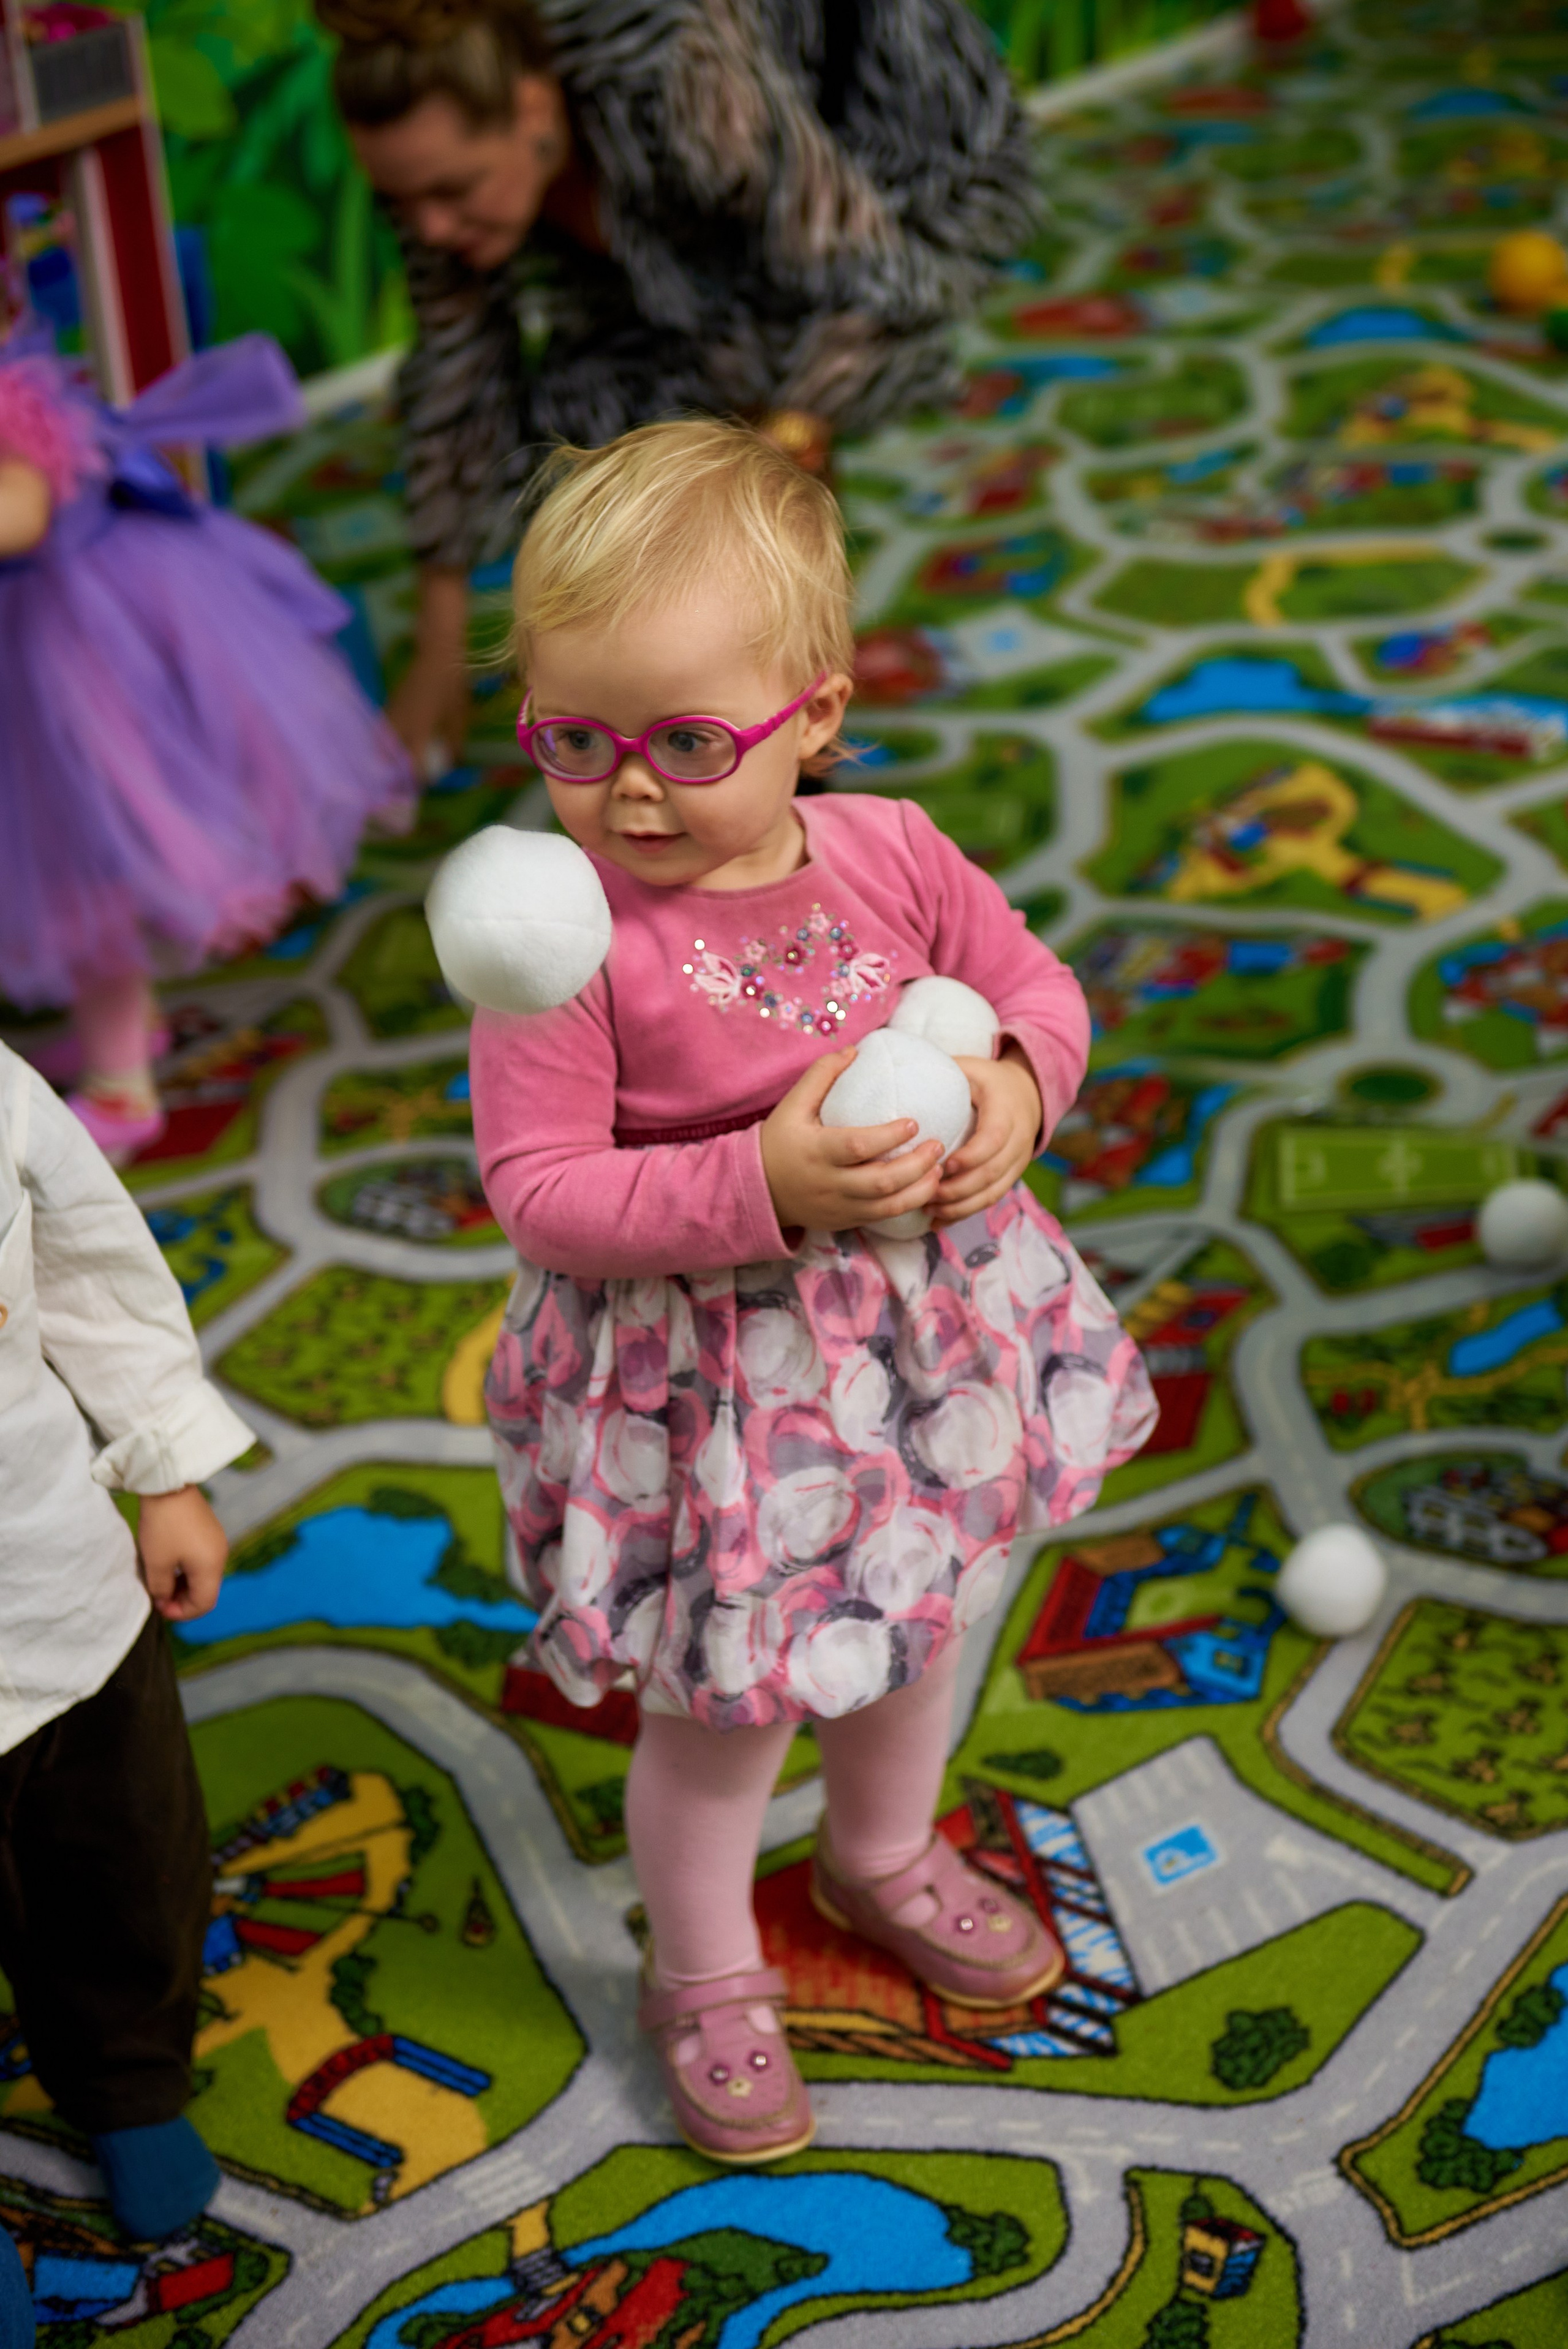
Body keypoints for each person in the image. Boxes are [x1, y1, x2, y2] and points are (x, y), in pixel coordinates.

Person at [472, 420, 1155, 2162]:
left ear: (820, 720)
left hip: (920, 1356)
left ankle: (877, 1855)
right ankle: (702, 1967)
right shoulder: (557, 932)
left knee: (919, 1619)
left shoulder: (896, 853)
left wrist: (1016, 1089)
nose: (629, 789)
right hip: (713, 1393)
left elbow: (1035, 990)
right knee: (727, 1708)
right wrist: (760, 1181)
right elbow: (539, 1190)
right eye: (575, 740)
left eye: (691, 741)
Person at [316, 0, 1042, 770]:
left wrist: (781, 446)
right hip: (689, 239)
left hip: (887, 191)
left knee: (747, 430)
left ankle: (781, 724)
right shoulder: (439, 158)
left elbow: (859, 273)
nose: (429, 229)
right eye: (403, 205)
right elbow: (459, 365)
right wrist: (438, 646)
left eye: (454, 192)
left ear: (533, 108)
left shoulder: (676, 71)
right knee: (587, 429)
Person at [0, 325, 413, 1163]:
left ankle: (121, 1091)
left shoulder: (15, 402)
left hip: (82, 654)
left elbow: (22, 512)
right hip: (67, 632)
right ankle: (127, 1024)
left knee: (89, 868)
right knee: (82, 856)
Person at [0, 1038, 254, 2238]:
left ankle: (132, 2082)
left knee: (125, 1862)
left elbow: (91, 1266)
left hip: (60, 1594)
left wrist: (165, 1474)